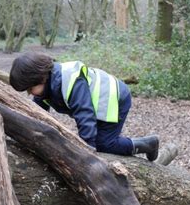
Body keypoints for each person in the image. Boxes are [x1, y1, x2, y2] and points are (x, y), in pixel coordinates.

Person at [9, 51, 159, 161]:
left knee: (105, 144)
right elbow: (37, 113)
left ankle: (148, 144)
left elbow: (85, 115)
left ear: (41, 77)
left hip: (115, 98)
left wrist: (86, 151)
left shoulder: (71, 82)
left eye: (29, 89)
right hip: (99, 105)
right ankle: (139, 143)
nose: (30, 93)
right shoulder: (47, 85)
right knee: (101, 141)